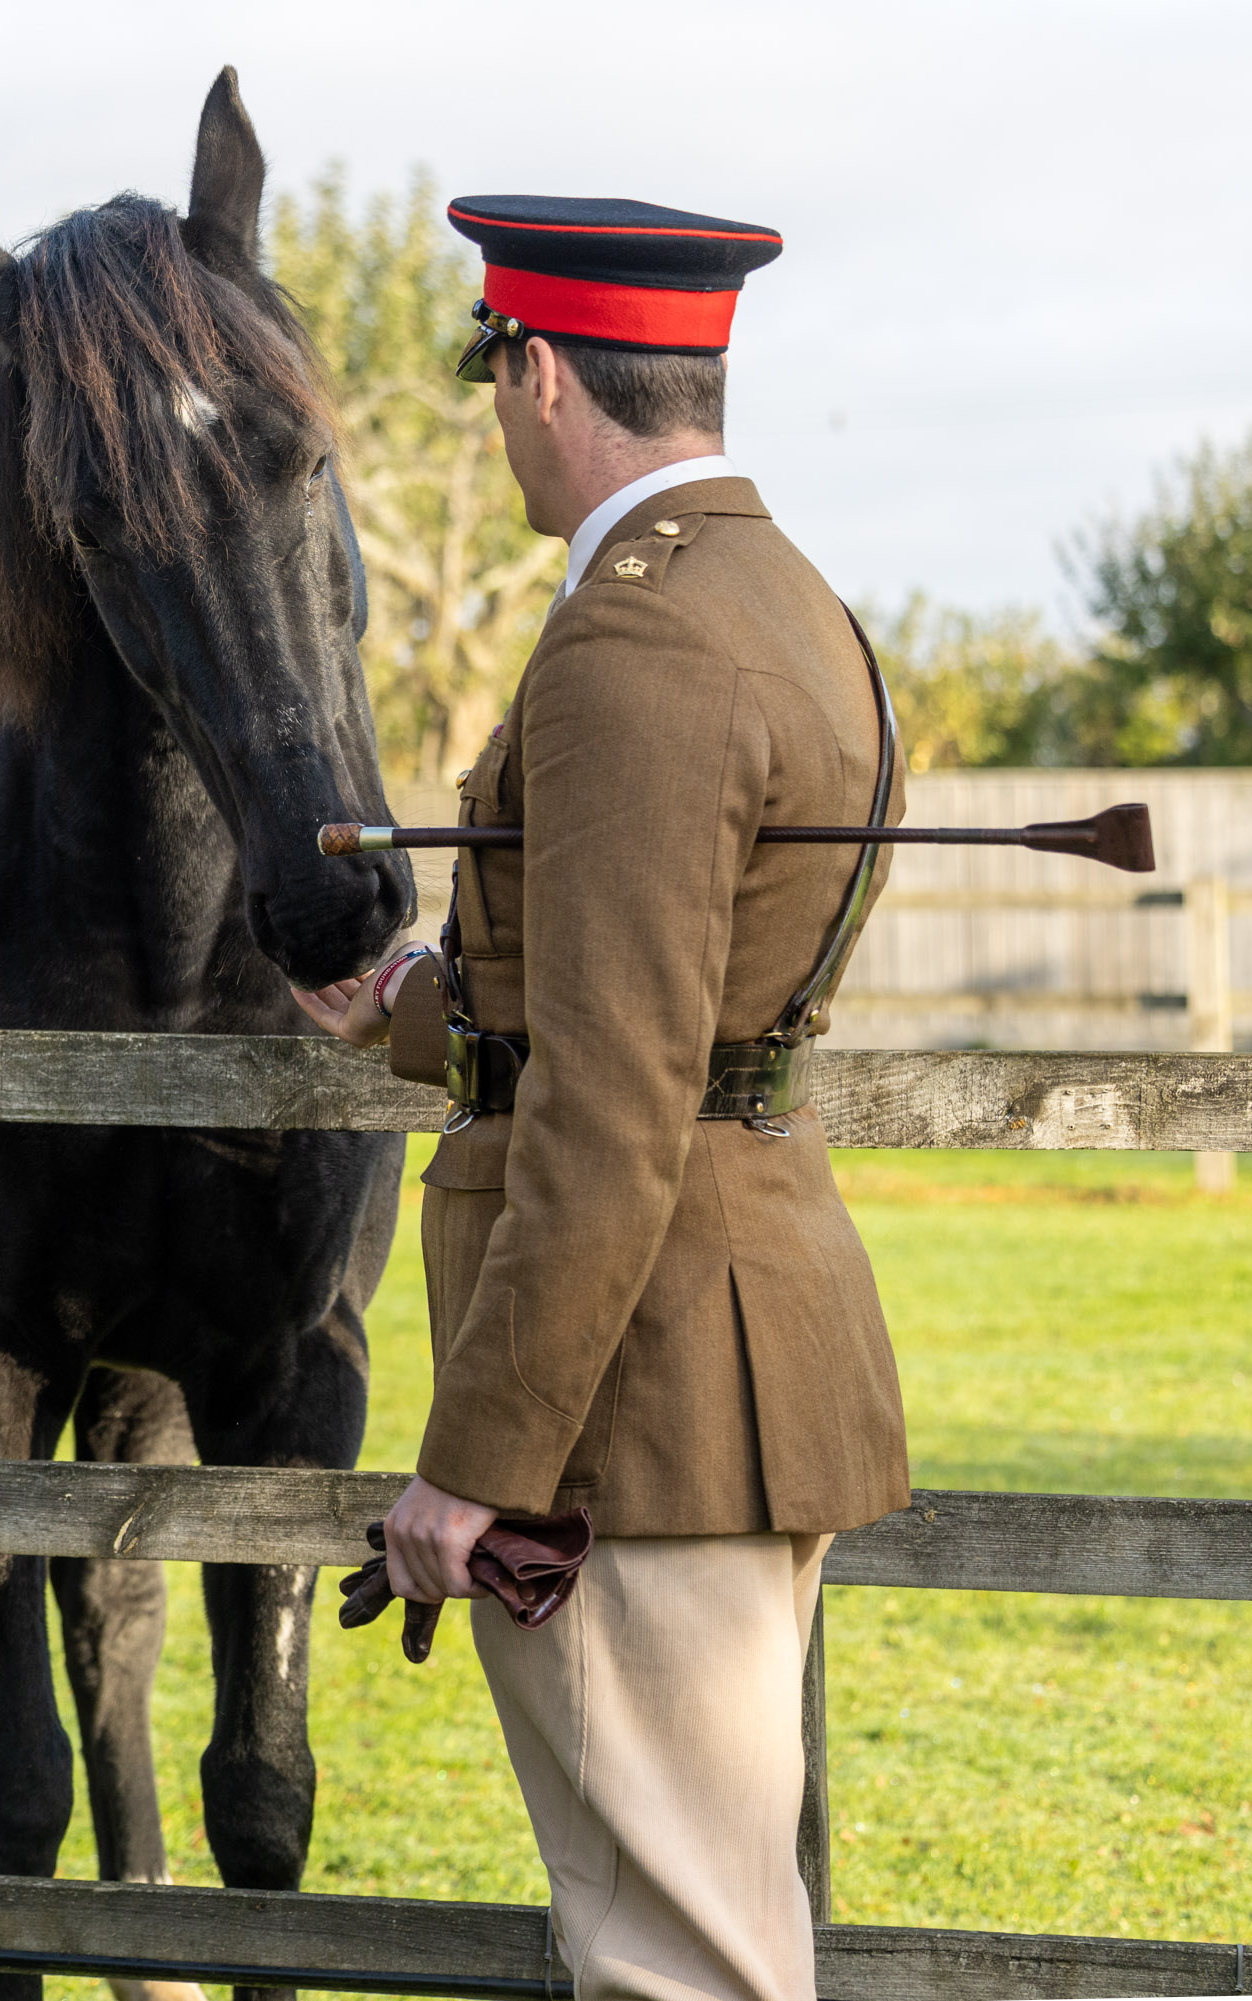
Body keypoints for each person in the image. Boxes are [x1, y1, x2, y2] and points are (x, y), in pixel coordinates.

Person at [292, 198, 911, 2001]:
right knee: (713, 1925)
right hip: (723, 1346)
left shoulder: (638, 647)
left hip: (635, 1403)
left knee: (678, 1961)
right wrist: (422, 1007)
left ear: (543, 369)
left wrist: (477, 1465)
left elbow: (622, 1101)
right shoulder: (791, 602)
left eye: (497, 378)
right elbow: (691, 1011)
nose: (498, 418)